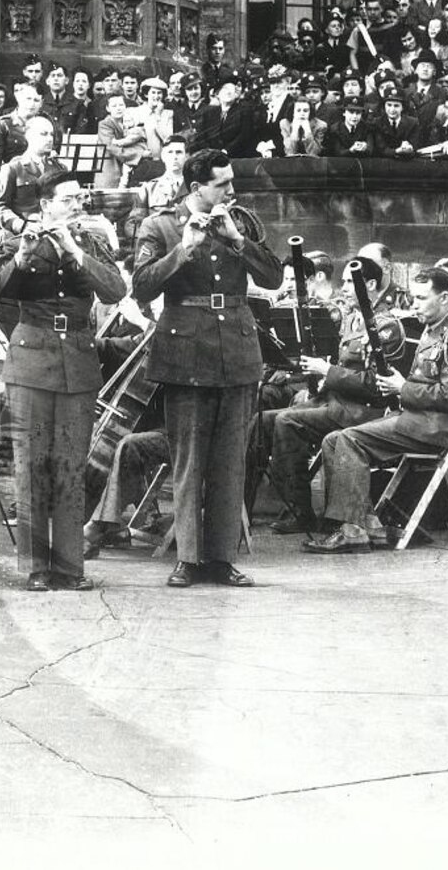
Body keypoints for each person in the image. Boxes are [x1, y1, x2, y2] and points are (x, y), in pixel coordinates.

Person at [126, 148, 283, 585]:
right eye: (223, 184)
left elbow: (273, 277)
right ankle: (188, 558)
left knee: (230, 462)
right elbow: (141, 286)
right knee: (189, 459)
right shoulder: (158, 225)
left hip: (235, 350)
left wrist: (237, 240)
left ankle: (219, 558)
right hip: (185, 352)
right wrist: (183, 249)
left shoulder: (241, 223)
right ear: (196, 187)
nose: (232, 191)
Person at [0, 173, 127, 589]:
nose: (77, 205)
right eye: (67, 199)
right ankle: (35, 567)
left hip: (78, 363)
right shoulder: (19, 241)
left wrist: (73, 250)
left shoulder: (89, 242)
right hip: (32, 361)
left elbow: (114, 290)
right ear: (46, 204)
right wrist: (23, 256)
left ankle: (70, 567)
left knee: (70, 465)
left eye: (80, 198)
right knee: (32, 466)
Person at [304, 268, 448, 554]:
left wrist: (403, 388)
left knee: (348, 440)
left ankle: (352, 529)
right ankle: (369, 524)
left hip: (435, 427)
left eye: (422, 298)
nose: (414, 304)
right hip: (414, 419)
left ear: (446, 298)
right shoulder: (431, 329)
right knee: (332, 440)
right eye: (414, 297)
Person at [264, 257, 396, 535]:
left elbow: (377, 385)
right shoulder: (351, 318)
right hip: (335, 401)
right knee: (262, 421)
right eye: (345, 281)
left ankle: (301, 510)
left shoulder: (385, 326)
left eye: (350, 282)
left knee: (286, 422)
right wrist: (323, 378)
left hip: (361, 410)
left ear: (370, 284)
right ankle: (249, 506)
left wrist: (329, 371)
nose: (344, 287)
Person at [0, 115, 65, 234]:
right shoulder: (13, 168)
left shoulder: (59, 168)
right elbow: (0, 207)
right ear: (29, 136)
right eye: (44, 134)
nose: (50, 139)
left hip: (56, 233)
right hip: (25, 234)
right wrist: (20, 225)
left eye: (51, 134)